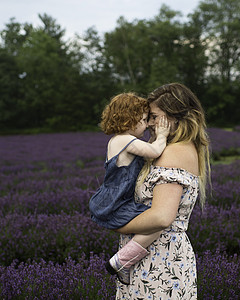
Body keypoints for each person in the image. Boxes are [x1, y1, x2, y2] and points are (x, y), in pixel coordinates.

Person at [114, 83, 211, 299]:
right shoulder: (184, 148)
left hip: (158, 263)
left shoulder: (172, 154)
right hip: (157, 260)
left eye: (154, 117)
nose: (149, 123)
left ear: (176, 118)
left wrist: (119, 225)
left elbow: (161, 217)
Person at [88, 92, 171, 285]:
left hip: (117, 200)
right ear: (129, 121)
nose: (146, 123)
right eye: (143, 120)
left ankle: (124, 263)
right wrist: (162, 135)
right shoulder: (124, 140)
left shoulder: (121, 141)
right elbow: (155, 151)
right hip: (115, 203)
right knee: (157, 225)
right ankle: (120, 262)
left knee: (154, 224)